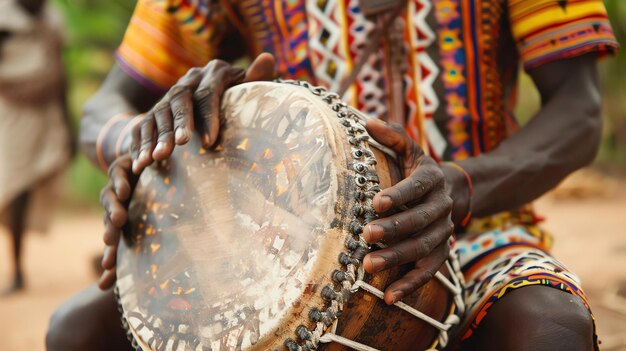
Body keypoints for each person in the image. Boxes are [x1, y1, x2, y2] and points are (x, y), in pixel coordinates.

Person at [47, 0, 618, 350]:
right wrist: (145, 142)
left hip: (479, 229)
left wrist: (459, 186)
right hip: (266, 251)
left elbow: (579, 111)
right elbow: (104, 109)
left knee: (548, 328)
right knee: (77, 331)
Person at [0, 0, 72, 295]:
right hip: (11, 114)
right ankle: (16, 269)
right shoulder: (5, 19)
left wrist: (68, 123)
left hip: (46, 115)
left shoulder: (52, 18)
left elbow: (60, 73)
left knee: (25, 188)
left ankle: (18, 269)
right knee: (11, 185)